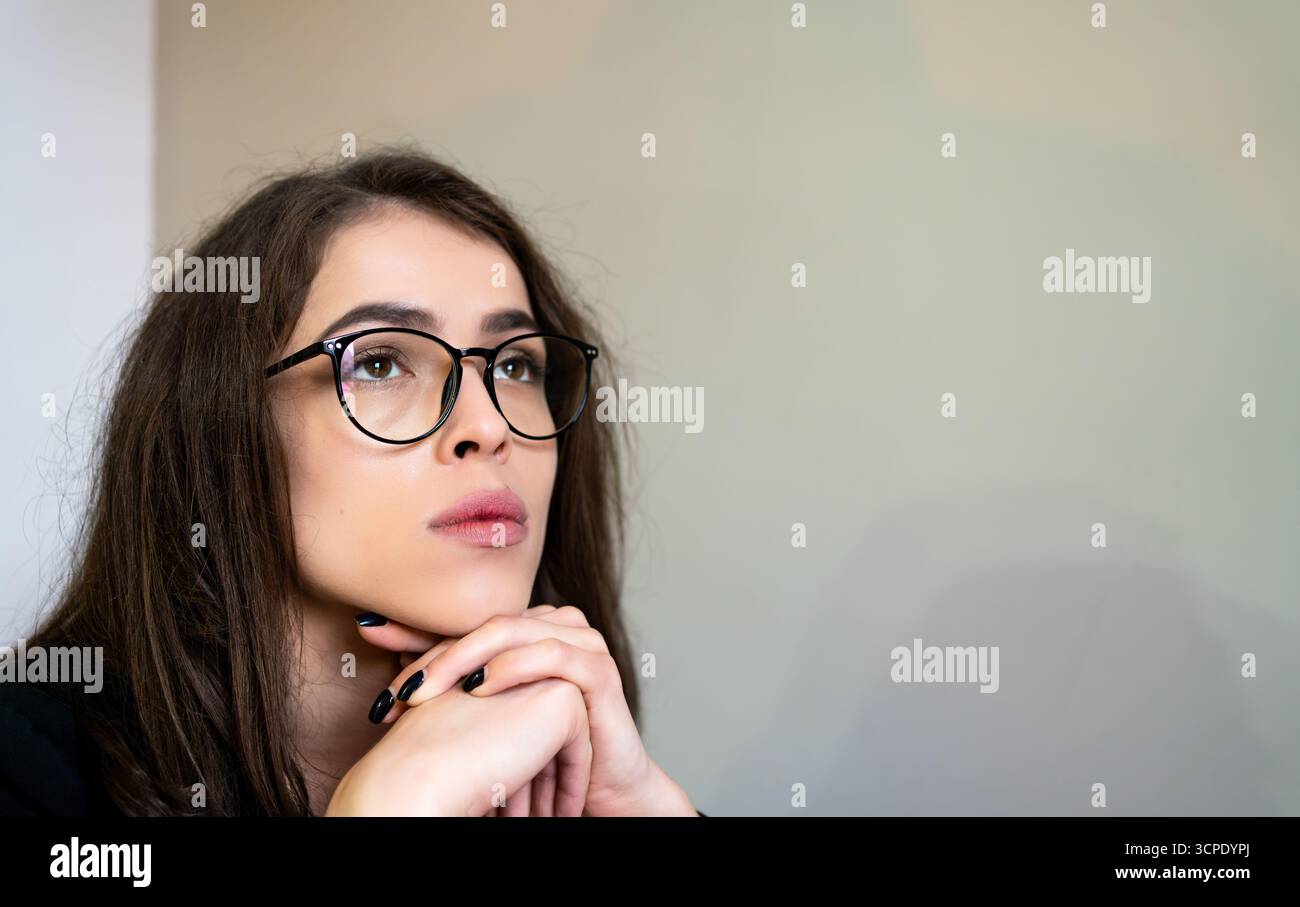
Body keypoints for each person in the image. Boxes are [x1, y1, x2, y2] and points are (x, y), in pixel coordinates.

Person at [0, 149, 703, 817]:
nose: (489, 425)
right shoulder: (25, 765)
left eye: (516, 365)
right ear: (219, 426)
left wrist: (642, 801)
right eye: (379, 363)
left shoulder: (555, 763)